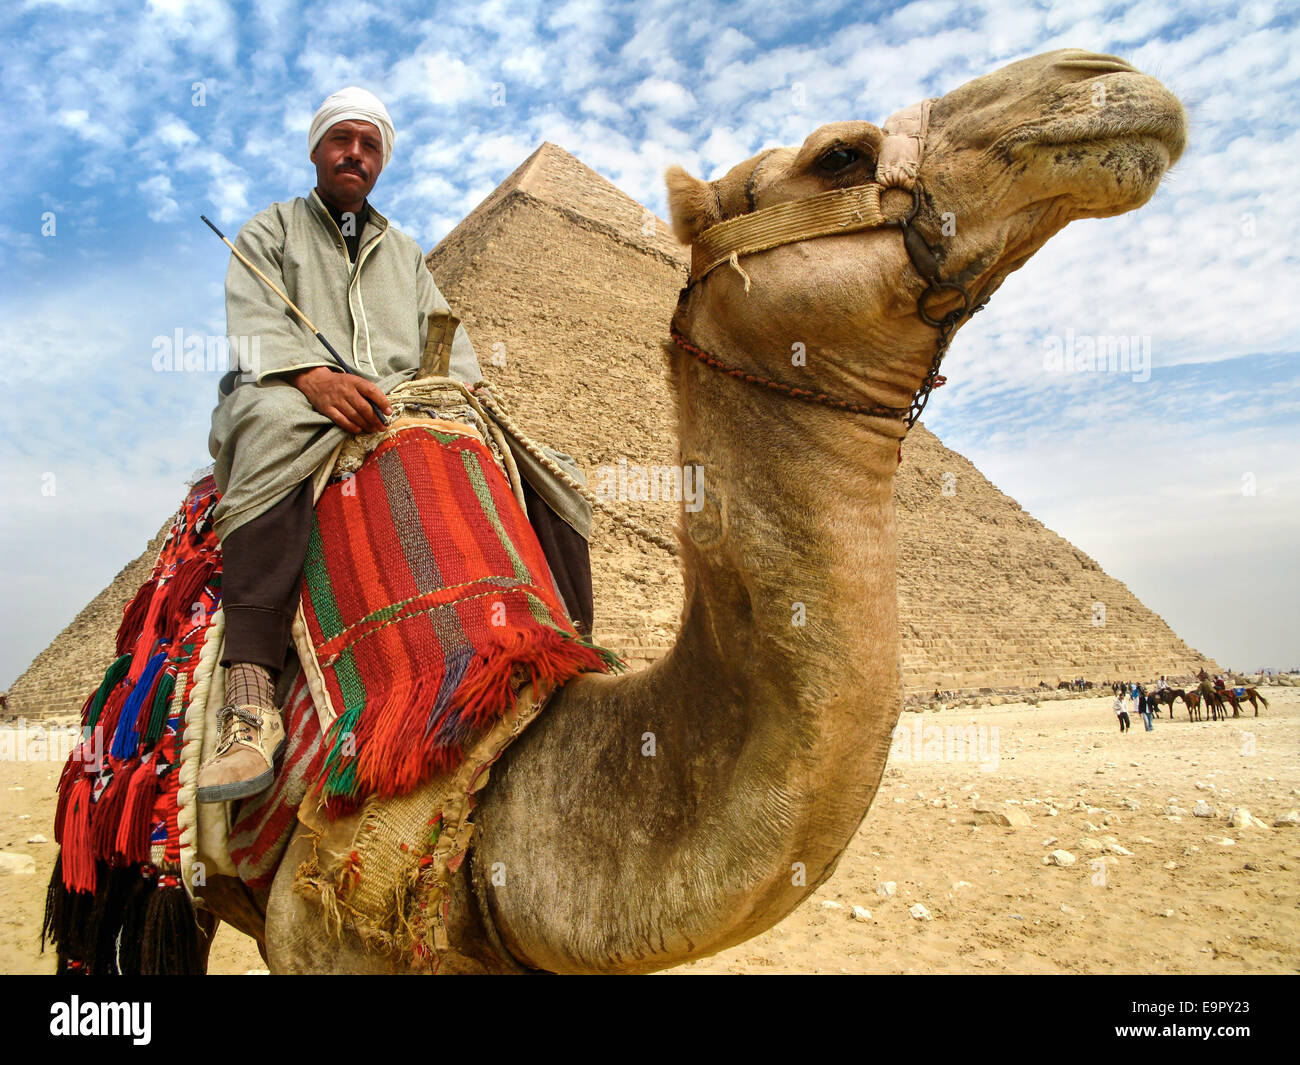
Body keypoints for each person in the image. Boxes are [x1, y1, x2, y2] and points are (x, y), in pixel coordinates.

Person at [195, 87, 591, 802]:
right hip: (293, 392)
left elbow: (447, 342)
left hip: (402, 399)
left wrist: (456, 396)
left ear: (381, 160)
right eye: (341, 140)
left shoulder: (402, 251)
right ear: (317, 150)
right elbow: (254, 329)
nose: (355, 153)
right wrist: (313, 377)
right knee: (271, 427)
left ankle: (575, 662)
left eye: (369, 144)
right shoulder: (270, 233)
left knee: (549, 467)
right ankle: (249, 698)